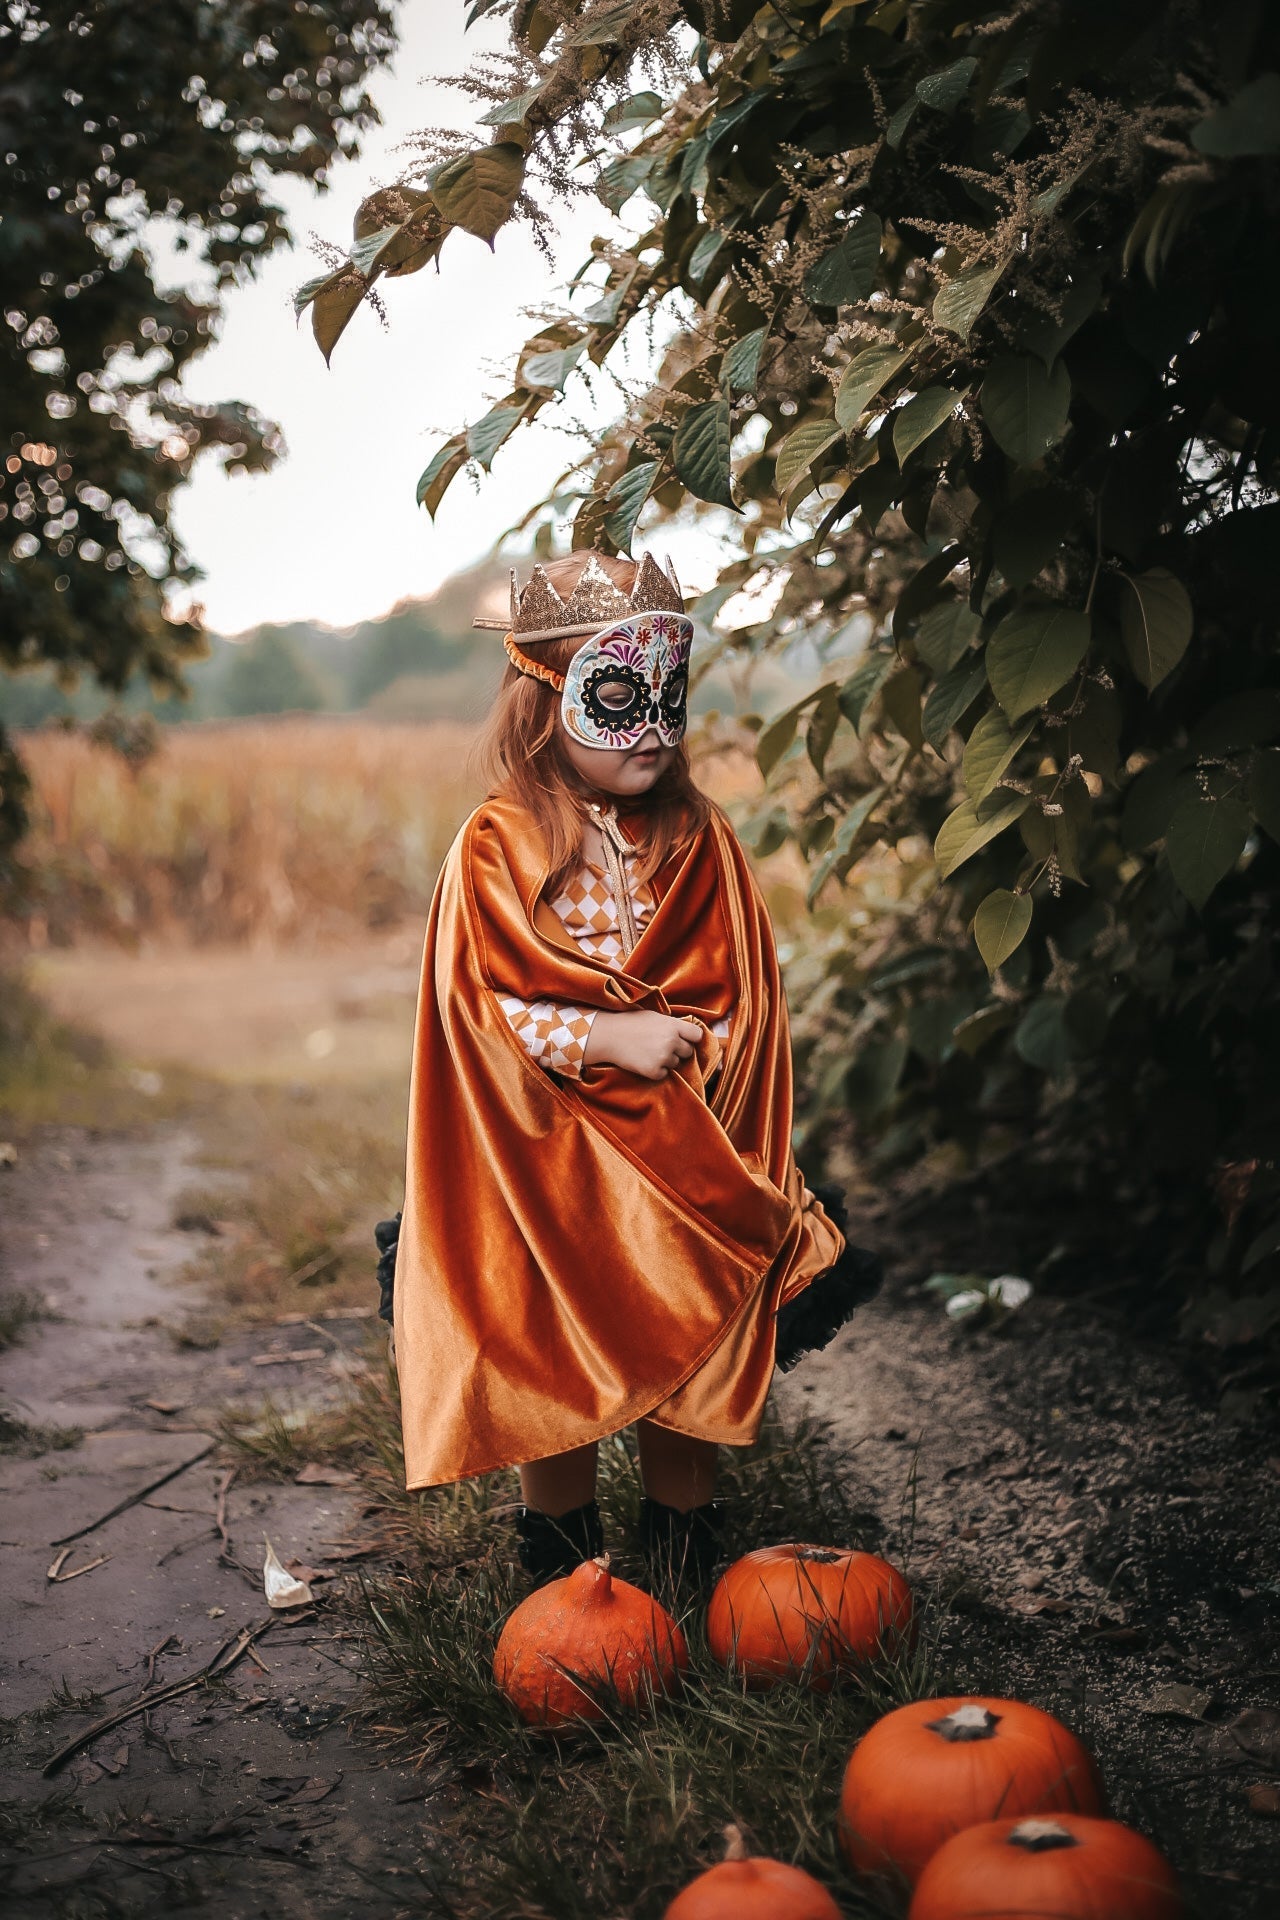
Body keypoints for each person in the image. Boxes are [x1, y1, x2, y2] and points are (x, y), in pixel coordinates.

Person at [376, 548, 878, 1589]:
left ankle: (685, 1547)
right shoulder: (496, 846)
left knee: (688, 1330)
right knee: (547, 1334)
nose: (650, 723)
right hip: (547, 1165)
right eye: (616, 695)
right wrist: (603, 1039)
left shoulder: (701, 838)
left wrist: (701, 1060)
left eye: (668, 695)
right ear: (543, 700)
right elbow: (480, 1005)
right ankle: (564, 1568)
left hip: (680, 1157)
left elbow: (740, 991)